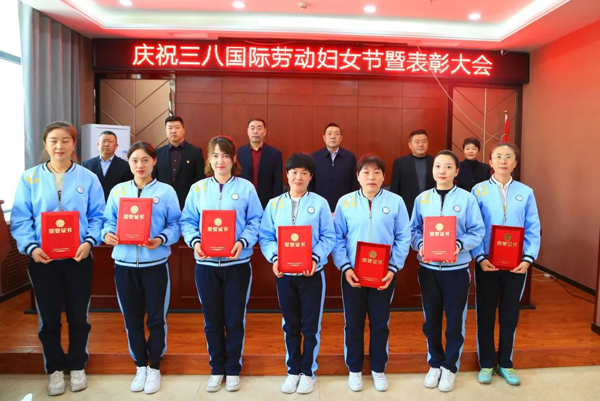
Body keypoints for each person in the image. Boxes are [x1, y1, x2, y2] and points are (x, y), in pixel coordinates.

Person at [10, 121, 105, 396]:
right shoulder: (30, 178)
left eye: (65, 140)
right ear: (45, 144)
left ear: (74, 144)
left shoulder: (88, 178)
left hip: (78, 258)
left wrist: (89, 242)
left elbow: (98, 216)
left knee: (78, 316)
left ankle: (77, 365)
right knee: (49, 318)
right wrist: (31, 247)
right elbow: (21, 219)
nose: (59, 146)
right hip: (43, 260)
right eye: (53, 140)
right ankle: (53, 369)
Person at [180, 136, 262, 393]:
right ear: (209, 159)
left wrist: (243, 242)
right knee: (212, 320)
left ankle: (233, 368)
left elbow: (256, 221)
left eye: (225, 155)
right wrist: (195, 242)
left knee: (235, 319)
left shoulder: (246, 188)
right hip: (206, 266)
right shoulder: (198, 189)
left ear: (234, 159)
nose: (220, 161)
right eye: (215, 155)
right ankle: (217, 367)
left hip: (237, 264)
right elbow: (187, 221)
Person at [102, 141, 181, 394]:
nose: (140, 165)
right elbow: (107, 221)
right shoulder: (118, 191)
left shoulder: (166, 192)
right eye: (135, 160)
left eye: (145, 160)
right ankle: (140, 365)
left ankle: (155, 366)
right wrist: (107, 234)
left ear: (154, 162)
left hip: (155, 265)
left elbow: (176, 225)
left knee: (156, 318)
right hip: (124, 265)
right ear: (129, 162)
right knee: (132, 318)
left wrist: (160, 239)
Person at [332, 154, 411, 392]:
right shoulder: (345, 202)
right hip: (352, 276)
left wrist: (393, 267)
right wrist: (345, 267)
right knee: (353, 323)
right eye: (366, 172)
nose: (371, 177)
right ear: (358, 176)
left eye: (377, 172)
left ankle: (378, 368)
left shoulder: (396, 202)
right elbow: (337, 239)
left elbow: (403, 237)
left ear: (384, 176)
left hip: (383, 276)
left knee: (380, 324)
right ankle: (355, 369)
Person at [259, 153, 335, 395]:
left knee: (311, 326)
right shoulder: (274, 204)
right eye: (294, 172)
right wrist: (275, 258)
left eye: (304, 173)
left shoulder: (320, 203)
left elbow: (329, 237)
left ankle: (308, 371)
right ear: (287, 174)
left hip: (312, 274)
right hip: (285, 275)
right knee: (290, 324)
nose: (298, 177)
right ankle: (293, 370)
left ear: (310, 176)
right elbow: (266, 237)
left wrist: (315, 258)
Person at [410, 150, 485, 393]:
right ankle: (435, 363)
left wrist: (459, 245)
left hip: (457, 270)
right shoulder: (422, 199)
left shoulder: (467, 199)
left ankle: (450, 366)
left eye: (448, 167)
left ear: (456, 171)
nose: (442, 171)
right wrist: (421, 245)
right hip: (429, 270)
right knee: (431, 321)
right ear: (433, 170)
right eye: (438, 166)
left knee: (454, 322)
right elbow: (413, 231)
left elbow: (477, 231)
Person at [471, 142, 541, 386]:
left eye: (508, 156)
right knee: (485, 313)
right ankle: (487, 363)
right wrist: (479, 257)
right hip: (487, 264)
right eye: (498, 156)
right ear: (490, 162)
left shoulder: (526, 192)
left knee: (510, 315)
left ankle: (506, 363)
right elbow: (473, 227)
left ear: (515, 163)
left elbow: (533, 227)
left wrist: (528, 258)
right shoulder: (478, 190)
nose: (503, 160)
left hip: (516, 265)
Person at [154, 115, 205, 209]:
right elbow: (154, 178)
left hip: (187, 202)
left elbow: (200, 179)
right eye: (170, 128)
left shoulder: (195, 152)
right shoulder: (158, 153)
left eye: (177, 127)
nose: (173, 131)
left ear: (183, 130)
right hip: (162, 201)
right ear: (166, 131)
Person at [310, 123, 358, 211]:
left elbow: (354, 184)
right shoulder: (314, 157)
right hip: (320, 206)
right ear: (324, 138)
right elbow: (310, 184)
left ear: (341, 138)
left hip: (345, 206)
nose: (333, 137)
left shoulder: (350, 157)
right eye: (329, 134)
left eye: (336, 134)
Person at [237, 118, 284, 209]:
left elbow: (277, 182)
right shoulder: (239, 152)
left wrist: (275, 204)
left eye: (259, 128)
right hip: (243, 200)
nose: (255, 131)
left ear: (264, 131)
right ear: (248, 131)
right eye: (252, 128)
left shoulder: (275, 154)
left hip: (266, 202)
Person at [390, 129, 435, 216]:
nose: (421, 145)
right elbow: (394, 189)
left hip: (431, 207)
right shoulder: (400, 163)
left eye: (424, 141)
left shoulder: (435, 162)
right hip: (407, 209)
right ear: (410, 145)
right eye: (417, 142)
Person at [83, 130, 133, 200]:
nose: (106, 144)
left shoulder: (125, 166)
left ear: (116, 146)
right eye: (103, 141)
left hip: (116, 203)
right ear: (98, 144)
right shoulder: (87, 165)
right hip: (93, 203)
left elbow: (128, 190)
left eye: (110, 141)